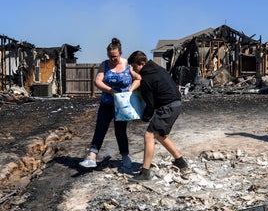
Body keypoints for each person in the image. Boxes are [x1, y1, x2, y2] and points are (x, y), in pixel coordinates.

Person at [79, 38, 141, 170]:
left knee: (120, 131)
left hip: (122, 105)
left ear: (120, 53)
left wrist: (130, 90)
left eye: (115, 57)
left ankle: (125, 156)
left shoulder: (128, 65)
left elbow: (138, 79)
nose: (113, 59)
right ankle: (92, 157)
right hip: (106, 103)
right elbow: (98, 81)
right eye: (110, 56)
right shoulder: (104, 65)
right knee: (100, 128)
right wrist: (111, 91)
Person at [126, 50, 189, 181]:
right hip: (176, 104)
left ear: (142, 63)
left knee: (149, 135)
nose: (133, 69)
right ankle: (180, 161)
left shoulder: (146, 78)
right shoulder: (157, 69)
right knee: (159, 134)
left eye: (134, 67)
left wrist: (144, 118)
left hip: (168, 107)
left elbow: (150, 104)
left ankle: (145, 172)